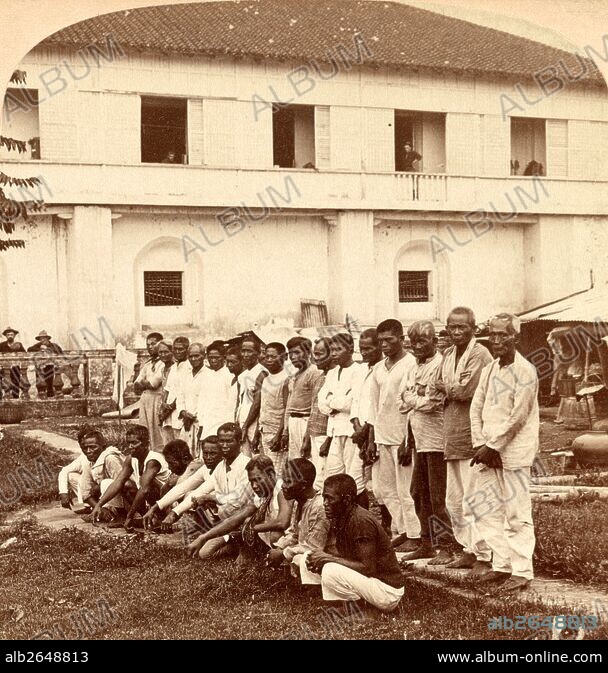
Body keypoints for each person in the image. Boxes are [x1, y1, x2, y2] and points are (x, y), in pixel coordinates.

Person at [469, 313, 539, 594]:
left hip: (514, 452)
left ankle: (521, 571)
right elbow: (477, 407)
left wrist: (494, 446)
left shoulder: (525, 371)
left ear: (515, 337)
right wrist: (480, 444)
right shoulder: (490, 369)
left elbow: (517, 418)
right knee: (482, 506)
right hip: (487, 450)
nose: (497, 340)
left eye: (503, 335)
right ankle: (502, 563)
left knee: (516, 511)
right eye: (493, 334)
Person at [436, 307, 493, 571]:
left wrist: (448, 389)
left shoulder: (480, 354)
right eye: (452, 327)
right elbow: (439, 385)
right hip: (452, 435)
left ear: (474, 328)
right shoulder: (448, 354)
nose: (456, 332)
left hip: (473, 436)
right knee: (454, 501)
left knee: (475, 499)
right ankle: (468, 548)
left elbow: (465, 390)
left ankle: (485, 554)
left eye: (462, 327)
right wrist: (449, 389)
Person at [298, 474, 405, 613]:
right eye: (324, 497)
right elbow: (347, 554)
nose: (325, 503)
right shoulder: (340, 515)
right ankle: (327, 599)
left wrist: (327, 558)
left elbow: (368, 568)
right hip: (370, 582)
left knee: (331, 568)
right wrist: (321, 557)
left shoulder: (360, 521)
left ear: (347, 499)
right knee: (309, 555)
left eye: (330, 498)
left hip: (386, 591)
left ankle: (362, 608)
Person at [399, 320, 455, 564]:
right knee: (417, 492)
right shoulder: (413, 367)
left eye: (423, 341)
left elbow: (433, 402)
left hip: (438, 440)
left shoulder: (441, 365)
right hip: (419, 439)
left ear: (434, 341)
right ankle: (426, 542)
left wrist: (414, 398)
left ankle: (446, 546)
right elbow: (403, 397)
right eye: (413, 342)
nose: (417, 346)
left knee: (438, 496)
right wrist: (416, 398)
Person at [368, 319, 420, 551]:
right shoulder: (379, 368)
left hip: (403, 437)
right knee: (384, 489)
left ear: (401, 338)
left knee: (406, 489)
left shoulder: (411, 364)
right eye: (381, 341)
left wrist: (407, 441)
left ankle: (416, 535)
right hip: (383, 435)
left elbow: (411, 405)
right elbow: (374, 406)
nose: (385, 345)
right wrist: (372, 439)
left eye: (389, 340)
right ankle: (403, 530)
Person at [160, 423, 250, 551]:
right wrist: (173, 513)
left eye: (229, 441)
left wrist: (211, 498)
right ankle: (220, 539)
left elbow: (238, 499)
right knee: (204, 553)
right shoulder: (221, 467)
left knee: (207, 552)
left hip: (241, 520)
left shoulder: (247, 464)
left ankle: (237, 543)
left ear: (239, 442)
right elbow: (196, 491)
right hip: (226, 520)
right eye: (221, 441)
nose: (224, 446)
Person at [186, 455, 292, 563]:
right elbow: (235, 519)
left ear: (271, 475)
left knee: (274, 534)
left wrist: (251, 528)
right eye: (251, 481)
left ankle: (270, 557)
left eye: (258, 479)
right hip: (260, 536)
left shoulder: (283, 489)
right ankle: (236, 543)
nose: (254, 486)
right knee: (205, 553)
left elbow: (282, 523)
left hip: (289, 538)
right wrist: (203, 537)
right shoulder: (261, 496)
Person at [92, 424, 170, 531]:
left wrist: (130, 516)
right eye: (128, 443)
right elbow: (118, 482)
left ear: (146, 444)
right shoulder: (131, 458)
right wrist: (99, 504)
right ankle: (148, 518)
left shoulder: (153, 460)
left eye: (134, 443)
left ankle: (159, 518)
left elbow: (144, 489)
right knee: (126, 485)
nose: (130, 447)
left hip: (166, 501)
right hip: (151, 501)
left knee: (149, 486)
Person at [318, 333, 366, 506]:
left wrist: (333, 400)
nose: (334, 353)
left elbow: (352, 402)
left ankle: (361, 520)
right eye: (332, 350)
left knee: (355, 479)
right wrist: (335, 402)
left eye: (339, 349)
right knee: (332, 476)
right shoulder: (331, 373)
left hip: (351, 430)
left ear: (351, 349)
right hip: (335, 430)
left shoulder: (359, 370)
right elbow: (321, 403)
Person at [143, 435, 223, 531]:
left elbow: (199, 493)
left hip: (228, 511)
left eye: (213, 453)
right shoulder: (205, 469)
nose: (208, 457)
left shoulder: (221, 469)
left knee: (194, 496)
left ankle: (200, 528)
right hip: (219, 510)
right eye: (205, 453)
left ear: (222, 454)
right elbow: (182, 488)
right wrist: (155, 507)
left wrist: (174, 513)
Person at [268, 458, 330, 568]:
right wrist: (279, 548)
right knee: (277, 541)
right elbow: (295, 533)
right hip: (306, 546)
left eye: (288, 481)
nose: (282, 486)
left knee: (300, 559)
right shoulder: (299, 501)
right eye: (283, 481)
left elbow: (314, 548)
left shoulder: (319, 507)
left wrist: (283, 553)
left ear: (303, 485)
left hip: (324, 554)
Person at [350, 329, 383, 506]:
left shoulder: (383, 369)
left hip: (375, 433)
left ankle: (388, 525)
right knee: (356, 479)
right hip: (359, 433)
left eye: (369, 348)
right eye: (361, 348)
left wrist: (367, 433)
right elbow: (355, 401)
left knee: (380, 486)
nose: (364, 352)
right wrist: (356, 425)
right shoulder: (361, 370)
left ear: (380, 346)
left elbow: (375, 406)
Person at [282, 337, 323, 459]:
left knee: (308, 460)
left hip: (305, 422)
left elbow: (315, 406)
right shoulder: (294, 376)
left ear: (308, 352)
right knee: (295, 461)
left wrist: (308, 435)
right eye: (290, 354)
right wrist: (286, 430)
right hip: (293, 422)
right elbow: (289, 405)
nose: (293, 357)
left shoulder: (314, 372)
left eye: (297, 352)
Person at [302, 337, 333, 490]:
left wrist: (329, 440)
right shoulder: (320, 377)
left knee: (324, 479)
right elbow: (313, 408)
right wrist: (307, 438)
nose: (316, 358)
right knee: (317, 478)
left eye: (320, 354)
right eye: (315, 354)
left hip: (326, 435)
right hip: (315, 433)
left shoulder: (334, 377)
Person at [256, 342, 289, 477]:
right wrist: (257, 433)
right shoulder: (266, 378)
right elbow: (263, 407)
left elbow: (286, 409)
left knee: (277, 473)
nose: (268, 360)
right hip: (265, 430)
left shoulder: (286, 379)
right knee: (266, 471)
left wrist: (279, 435)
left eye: (273, 357)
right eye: (266, 356)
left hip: (276, 432)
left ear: (284, 357)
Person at [78, 430, 125, 516]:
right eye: (85, 448)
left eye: (93, 447)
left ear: (103, 447)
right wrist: (99, 508)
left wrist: (98, 487)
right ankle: (105, 513)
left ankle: (121, 515)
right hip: (107, 500)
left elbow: (123, 485)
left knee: (106, 483)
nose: (88, 451)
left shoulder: (110, 458)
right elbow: (85, 493)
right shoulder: (89, 462)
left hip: (127, 501)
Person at [236, 337, 268, 456]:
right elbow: (240, 402)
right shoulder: (242, 375)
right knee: (245, 458)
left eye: (249, 351)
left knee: (257, 458)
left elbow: (257, 404)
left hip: (254, 424)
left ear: (258, 353)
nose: (245, 354)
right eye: (243, 351)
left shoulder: (262, 373)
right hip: (242, 422)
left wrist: (246, 426)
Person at [133, 332, 165, 452]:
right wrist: (144, 383)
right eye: (148, 344)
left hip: (157, 400)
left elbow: (153, 384)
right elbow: (136, 385)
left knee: (157, 431)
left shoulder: (164, 364)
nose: (150, 347)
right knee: (144, 430)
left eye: (153, 344)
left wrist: (145, 383)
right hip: (145, 401)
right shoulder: (147, 364)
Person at [196, 341, 234, 440]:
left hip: (223, 423)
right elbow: (203, 401)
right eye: (210, 358)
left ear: (223, 357)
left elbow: (231, 404)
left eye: (216, 358)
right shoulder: (207, 375)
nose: (213, 361)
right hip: (207, 422)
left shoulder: (229, 375)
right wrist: (201, 424)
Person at [177, 343, 207, 458]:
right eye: (190, 356)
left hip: (200, 422)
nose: (193, 359)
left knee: (200, 456)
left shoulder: (209, 375)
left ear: (203, 356)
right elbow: (180, 396)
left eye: (196, 356)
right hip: (186, 422)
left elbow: (207, 400)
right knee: (185, 455)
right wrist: (184, 413)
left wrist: (194, 417)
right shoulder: (185, 375)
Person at [160, 336, 191, 443]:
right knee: (168, 444)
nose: (177, 352)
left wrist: (170, 408)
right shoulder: (174, 367)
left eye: (180, 349)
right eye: (175, 349)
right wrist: (163, 404)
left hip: (178, 411)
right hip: (167, 414)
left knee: (180, 443)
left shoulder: (189, 367)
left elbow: (182, 392)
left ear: (187, 350)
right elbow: (167, 389)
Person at [57, 425, 96, 511]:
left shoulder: (105, 453)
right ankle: (89, 506)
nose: (88, 449)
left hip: (105, 488)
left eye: (91, 445)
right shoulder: (83, 457)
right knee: (71, 475)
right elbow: (64, 471)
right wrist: (63, 492)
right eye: (84, 445)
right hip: (94, 489)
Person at [27, 330, 63, 398]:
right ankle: (41, 396)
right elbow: (29, 349)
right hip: (40, 367)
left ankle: (50, 395)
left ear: (47, 338)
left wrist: (47, 349)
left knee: (50, 381)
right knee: (40, 382)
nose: (42, 340)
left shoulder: (53, 345)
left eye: (44, 338)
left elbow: (59, 351)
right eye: (41, 338)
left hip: (50, 366)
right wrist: (39, 349)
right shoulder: (39, 345)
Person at [0, 327, 28, 399]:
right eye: (8, 334)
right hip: (4, 367)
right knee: (3, 382)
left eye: (11, 334)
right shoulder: (1, 345)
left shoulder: (19, 345)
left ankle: (15, 398)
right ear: (6, 336)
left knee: (16, 382)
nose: (10, 336)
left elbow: (25, 354)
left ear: (14, 336)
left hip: (15, 366)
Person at [226, 346, 243, 421]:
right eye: (227, 361)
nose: (228, 365)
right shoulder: (233, 378)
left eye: (232, 362)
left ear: (242, 362)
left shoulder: (243, 379)